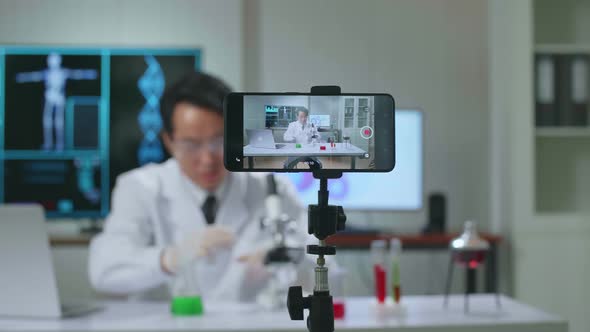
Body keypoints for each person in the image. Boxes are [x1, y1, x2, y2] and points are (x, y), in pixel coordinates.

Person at [89, 72, 319, 301]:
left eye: (219, 141)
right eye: (191, 144)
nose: (207, 159)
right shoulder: (140, 187)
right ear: (168, 141)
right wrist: (169, 259)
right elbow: (104, 271)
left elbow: (321, 263)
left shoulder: (270, 187)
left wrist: (287, 264)